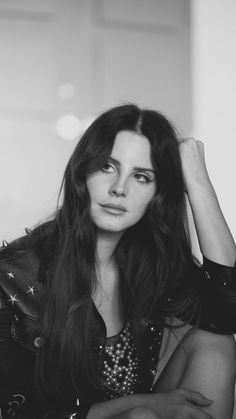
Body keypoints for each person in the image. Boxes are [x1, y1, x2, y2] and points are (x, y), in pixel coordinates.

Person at [0, 103, 235, 419]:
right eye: (107, 167)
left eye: (141, 176)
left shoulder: (152, 263)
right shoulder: (13, 276)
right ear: (82, 171)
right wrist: (143, 405)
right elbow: (19, 412)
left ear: (157, 193)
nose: (119, 188)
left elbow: (226, 313)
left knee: (215, 344)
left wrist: (198, 183)